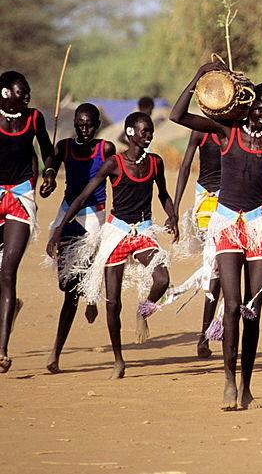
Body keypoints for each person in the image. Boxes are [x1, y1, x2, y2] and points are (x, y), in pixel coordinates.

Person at [170, 62, 262, 410]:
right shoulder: (225, 130)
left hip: (259, 226)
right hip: (227, 223)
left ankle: (247, 386)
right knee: (231, 306)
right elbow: (177, 115)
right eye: (258, 106)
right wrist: (198, 75)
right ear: (248, 103)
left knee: (252, 311)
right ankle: (228, 382)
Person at [48, 112, 177, 379]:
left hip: (142, 231)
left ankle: (144, 311)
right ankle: (119, 360)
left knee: (162, 279)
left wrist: (172, 215)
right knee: (112, 303)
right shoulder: (114, 163)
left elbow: (163, 193)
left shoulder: (155, 163)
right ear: (130, 133)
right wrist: (59, 229)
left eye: (150, 131)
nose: (149, 135)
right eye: (144, 131)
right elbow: (83, 194)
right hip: (116, 232)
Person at [40, 103, 114, 373]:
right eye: (80, 125)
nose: (84, 130)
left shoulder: (105, 149)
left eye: (89, 125)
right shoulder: (64, 146)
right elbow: (51, 162)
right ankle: (88, 289)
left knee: (70, 293)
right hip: (66, 210)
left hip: (93, 214)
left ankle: (55, 354)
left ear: (97, 125)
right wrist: (48, 177)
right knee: (64, 283)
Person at [0, 71, 55, 373]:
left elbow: (48, 153)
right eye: (23, 91)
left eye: (29, 91)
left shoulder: (34, 119)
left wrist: (49, 174)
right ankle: (11, 306)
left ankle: (2, 350)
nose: (28, 95)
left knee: (8, 270)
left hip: (21, 196)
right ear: (6, 92)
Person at [173, 128, 223, 358]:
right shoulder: (201, 130)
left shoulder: (240, 129)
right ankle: (207, 333)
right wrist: (173, 210)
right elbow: (184, 168)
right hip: (205, 201)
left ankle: (214, 328)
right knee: (216, 267)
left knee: (222, 268)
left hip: (234, 200)